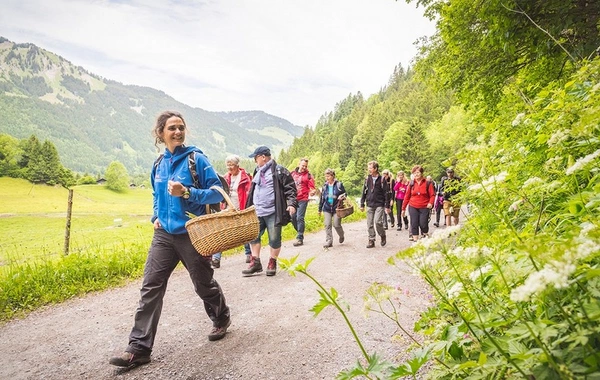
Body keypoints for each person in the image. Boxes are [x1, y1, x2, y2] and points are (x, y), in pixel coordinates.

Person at [109, 111, 231, 369]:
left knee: (203, 284)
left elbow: (217, 193)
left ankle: (221, 317)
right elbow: (156, 193)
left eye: (181, 127)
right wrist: (156, 215)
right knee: (151, 286)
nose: (177, 132)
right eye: (172, 128)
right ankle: (139, 348)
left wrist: (187, 191)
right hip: (163, 235)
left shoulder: (196, 159)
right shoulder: (158, 164)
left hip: (191, 233)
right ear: (161, 133)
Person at [243, 146, 297, 277]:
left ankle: (272, 262)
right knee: (253, 236)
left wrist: (291, 204)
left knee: (274, 239)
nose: (255, 161)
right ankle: (255, 262)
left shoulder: (280, 171)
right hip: (257, 210)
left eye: (256, 158)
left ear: (263, 157)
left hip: (273, 211)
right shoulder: (257, 171)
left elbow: (290, 189)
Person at [211, 155, 253, 268]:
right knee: (222, 233)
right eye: (228, 166)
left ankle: (249, 253)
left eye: (232, 166)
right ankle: (216, 258)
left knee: (244, 232)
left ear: (237, 166)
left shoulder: (245, 177)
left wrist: (248, 208)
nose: (229, 168)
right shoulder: (225, 178)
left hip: (241, 208)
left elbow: (249, 193)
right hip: (227, 209)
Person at [359, 161, 390, 248]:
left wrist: (387, 206)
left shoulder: (382, 179)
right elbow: (364, 192)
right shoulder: (367, 179)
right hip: (369, 203)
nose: (369, 170)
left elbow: (386, 193)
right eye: (368, 168)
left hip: (379, 204)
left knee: (378, 222)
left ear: (376, 169)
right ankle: (371, 240)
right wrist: (362, 203)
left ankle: (382, 235)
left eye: (371, 168)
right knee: (369, 223)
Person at [402, 165, 435, 242]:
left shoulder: (428, 183)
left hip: (424, 206)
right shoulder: (411, 183)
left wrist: (430, 203)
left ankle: (425, 234)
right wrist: (403, 209)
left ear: (421, 173)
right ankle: (415, 240)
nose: (416, 174)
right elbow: (407, 196)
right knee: (414, 223)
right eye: (414, 173)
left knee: (423, 224)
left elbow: (432, 195)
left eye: (417, 173)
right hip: (413, 206)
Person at [318, 168, 346, 248]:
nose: (327, 178)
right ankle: (329, 241)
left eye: (328, 176)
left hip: (336, 208)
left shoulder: (339, 185)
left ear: (333, 176)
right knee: (327, 224)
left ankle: (341, 235)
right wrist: (319, 209)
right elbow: (322, 198)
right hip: (327, 208)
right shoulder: (325, 186)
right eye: (326, 176)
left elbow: (345, 194)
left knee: (336, 224)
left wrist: (342, 196)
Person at [291, 158, 316, 246]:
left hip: (303, 199)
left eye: (305, 166)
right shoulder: (292, 174)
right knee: (292, 217)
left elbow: (312, 188)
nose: (304, 167)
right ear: (299, 164)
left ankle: (299, 238)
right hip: (293, 199)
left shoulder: (308, 176)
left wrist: (312, 192)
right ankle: (299, 232)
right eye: (302, 165)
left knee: (299, 218)